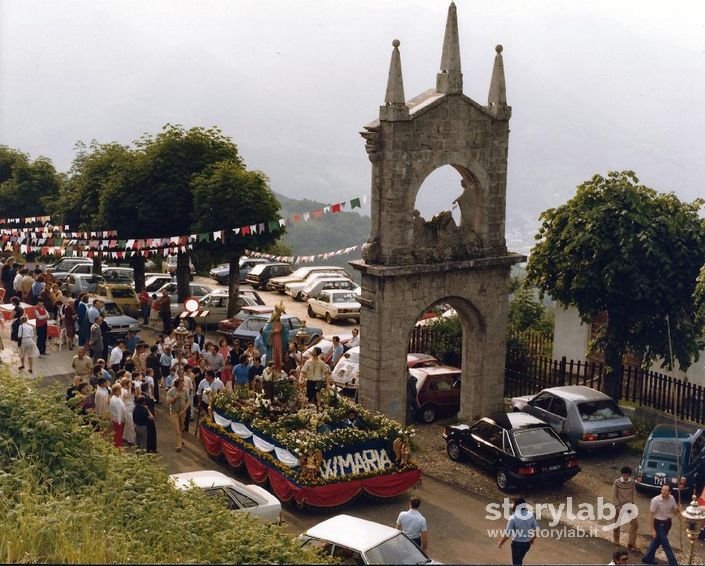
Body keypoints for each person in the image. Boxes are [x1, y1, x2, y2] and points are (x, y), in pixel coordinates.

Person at [642, 485, 680, 565]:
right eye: (662, 490)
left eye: (666, 490)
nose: (663, 492)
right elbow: (651, 515)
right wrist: (652, 530)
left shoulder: (672, 498)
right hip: (659, 524)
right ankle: (673, 563)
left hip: (668, 523)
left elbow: (675, 512)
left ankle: (647, 558)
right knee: (666, 544)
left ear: (669, 492)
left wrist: (678, 510)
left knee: (656, 542)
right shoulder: (656, 500)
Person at [498, 497, 538, 566]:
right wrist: (532, 539)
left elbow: (507, 534)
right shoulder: (530, 515)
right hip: (527, 544)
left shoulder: (513, 518)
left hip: (517, 545)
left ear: (516, 506)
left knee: (516, 563)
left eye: (514, 504)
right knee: (519, 560)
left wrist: (501, 542)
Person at [612, 466, 638, 550]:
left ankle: (631, 543)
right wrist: (617, 506)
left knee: (635, 524)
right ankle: (616, 540)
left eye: (627, 475)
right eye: (624, 475)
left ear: (629, 475)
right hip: (619, 506)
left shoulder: (632, 482)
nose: (625, 477)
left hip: (629, 506)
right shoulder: (617, 482)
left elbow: (633, 494)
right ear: (622, 475)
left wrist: (633, 504)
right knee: (617, 524)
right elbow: (614, 495)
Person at [166, 377, 189, 452]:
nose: (183, 384)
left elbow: (188, 401)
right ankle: (178, 446)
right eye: (182, 383)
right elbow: (168, 402)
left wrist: (184, 410)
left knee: (181, 427)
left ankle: (180, 440)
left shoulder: (185, 391)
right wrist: (175, 397)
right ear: (178, 384)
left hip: (182, 412)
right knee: (177, 430)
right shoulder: (171, 391)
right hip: (174, 412)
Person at [140, 382, 158, 453]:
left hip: (149, 415)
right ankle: (150, 448)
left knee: (151, 432)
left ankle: (152, 447)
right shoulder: (144, 397)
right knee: (149, 433)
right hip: (147, 417)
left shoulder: (146, 396)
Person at [108, 383, 126, 448]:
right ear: (115, 391)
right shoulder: (116, 400)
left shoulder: (115, 398)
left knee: (118, 435)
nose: (120, 391)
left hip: (117, 419)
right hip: (118, 420)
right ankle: (118, 448)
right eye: (119, 390)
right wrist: (119, 422)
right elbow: (119, 411)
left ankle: (118, 447)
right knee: (118, 435)